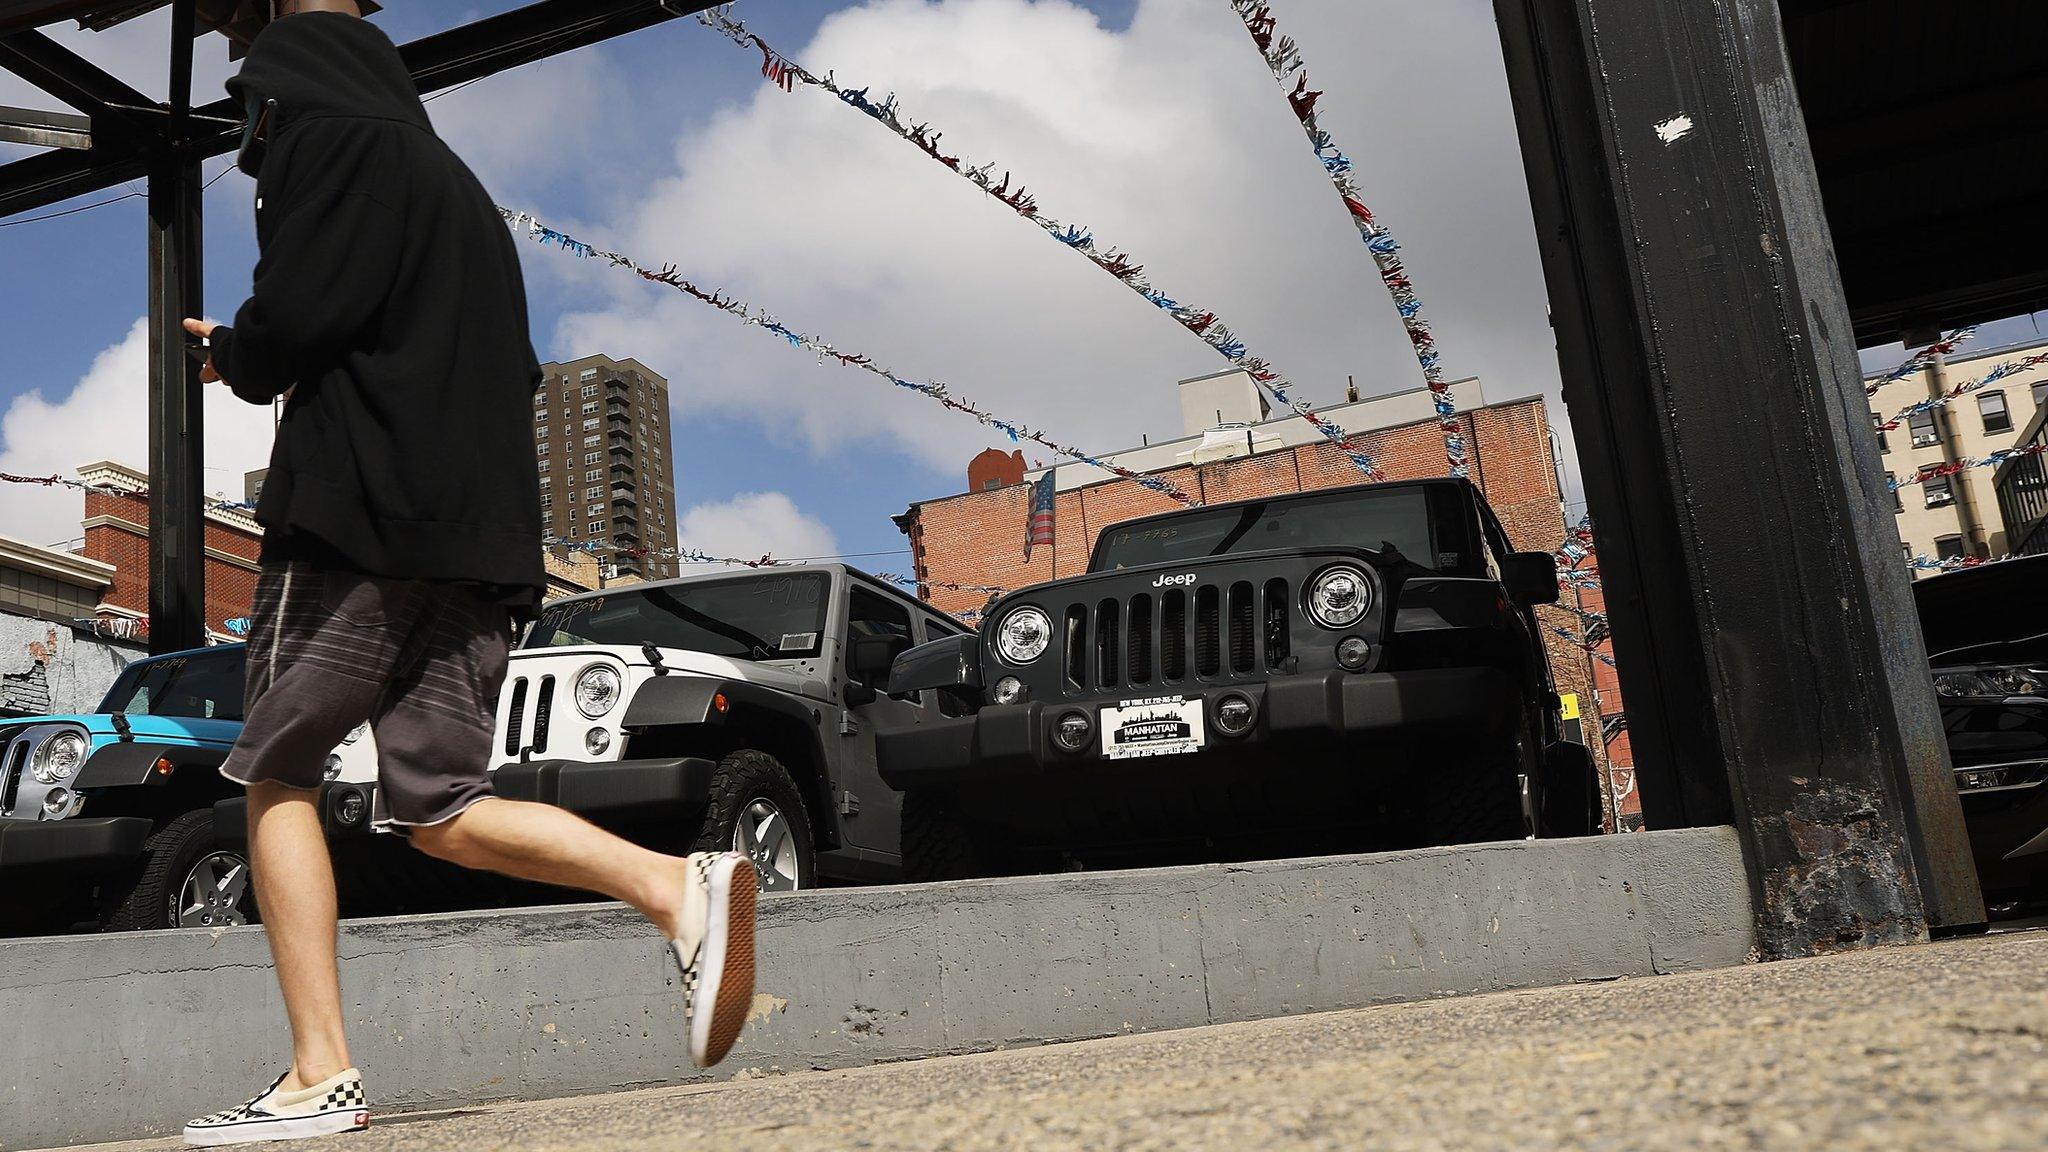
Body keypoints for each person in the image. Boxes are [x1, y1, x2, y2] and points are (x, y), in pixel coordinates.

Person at [178, 4, 757, 1145]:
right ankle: (676, 891)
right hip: (481, 543)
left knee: (276, 770)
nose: (250, 131)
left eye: (250, 109)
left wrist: (231, 353)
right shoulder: (453, 186)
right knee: (439, 801)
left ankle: (317, 1072)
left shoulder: (321, 138)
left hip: (358, 522)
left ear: (277, 87)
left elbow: (296, 316)